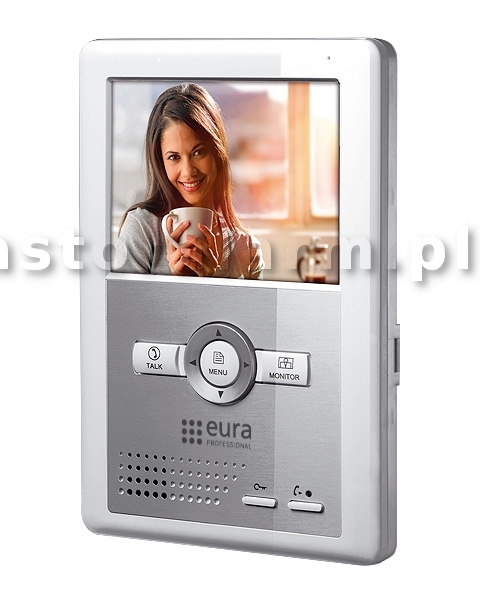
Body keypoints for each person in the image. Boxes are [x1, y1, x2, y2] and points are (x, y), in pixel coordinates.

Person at [114, 83, 264, 279]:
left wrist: (211, 281)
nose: (188, 172)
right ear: (161, 161)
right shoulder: (142, 229)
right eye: (174, 157)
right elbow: (122, 300)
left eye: (198, 152)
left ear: (217, 153)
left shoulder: (246, 248)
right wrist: (176, 282)